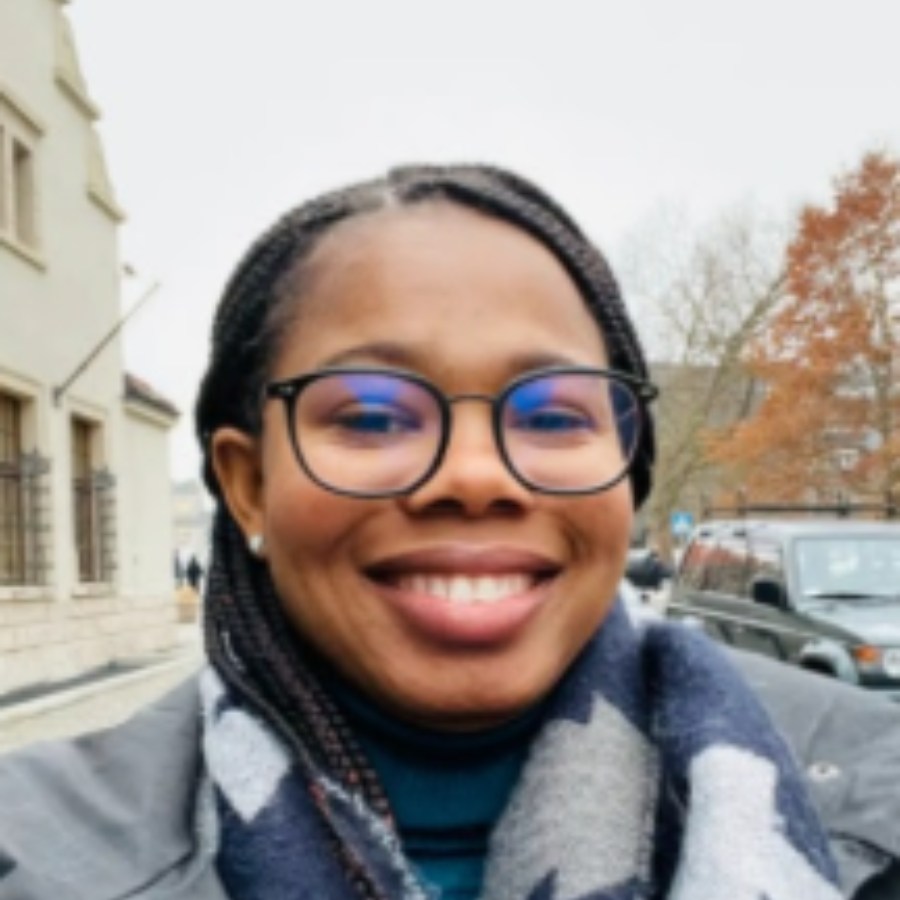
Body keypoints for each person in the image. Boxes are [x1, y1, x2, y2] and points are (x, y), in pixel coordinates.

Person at [1, 164, 898, 900]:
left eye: (554, 416)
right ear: (247, 486)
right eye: (371, 416)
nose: (476, 477)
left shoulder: (877, 795)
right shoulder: (29, 852)